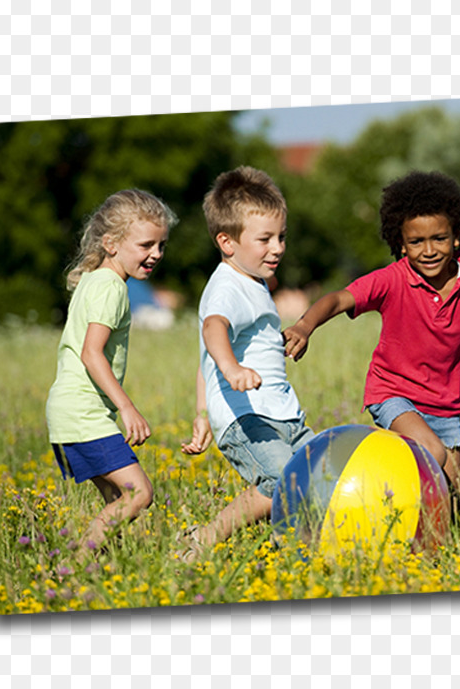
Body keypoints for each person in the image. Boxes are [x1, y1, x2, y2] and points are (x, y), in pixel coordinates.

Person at [283, 170, 460, 497]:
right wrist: (304, 326)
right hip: (393, 392)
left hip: (446, 405)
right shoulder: (391, 280)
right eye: (416, 242)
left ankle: (434, 545)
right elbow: (338, 299)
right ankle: (375, 497)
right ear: (401, 245)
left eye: (439, 238)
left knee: (451, 489)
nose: (429, 250)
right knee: (430, 454)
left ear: (457, 237)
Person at [178, 166, 314, 562]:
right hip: (247, 419)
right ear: (228, 242)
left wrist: (202, 412)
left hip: (283, 414)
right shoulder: (227, 287)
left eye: (281, 237)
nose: (278, 248)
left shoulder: (251, 282)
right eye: (265, 239)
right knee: (282, 482)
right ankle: (205, 537)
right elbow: (214, 330)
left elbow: (208, 355)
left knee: (318, 477)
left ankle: (289, 551)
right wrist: (233, 369)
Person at [46, 188, 180, 558]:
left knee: (118, 501)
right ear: (111, 243)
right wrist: (126, 407)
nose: (155, 254)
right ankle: (73, 566)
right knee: (139, 493)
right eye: (146, 245)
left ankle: (107, 568)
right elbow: (92, 353)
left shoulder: (95, 279)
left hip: (71, 410)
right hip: (83, 412)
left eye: (161, 245)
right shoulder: (111, 288)